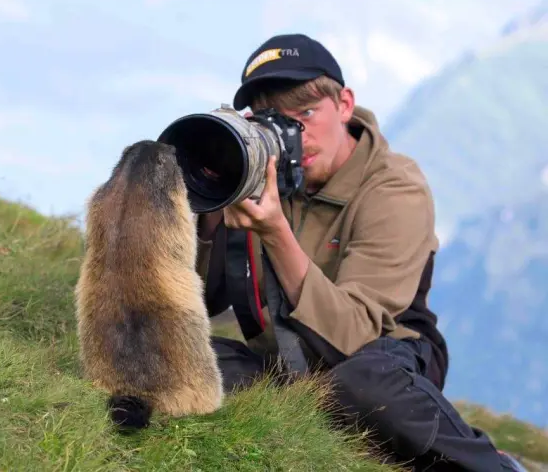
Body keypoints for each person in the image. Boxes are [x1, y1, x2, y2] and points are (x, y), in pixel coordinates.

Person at [194, 33, 525, 472]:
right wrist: (212, 199)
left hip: (387, 354)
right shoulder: (263, 178)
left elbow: (354, 336)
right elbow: (201, 301)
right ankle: (340, 432)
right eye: (274, 121)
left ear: (345, 104)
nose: (295, 134)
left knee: (363, 386)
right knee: (185, 357)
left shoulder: (394, 187)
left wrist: (275, 231)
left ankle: (494, 466)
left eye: (306, 113)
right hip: (288, 359)